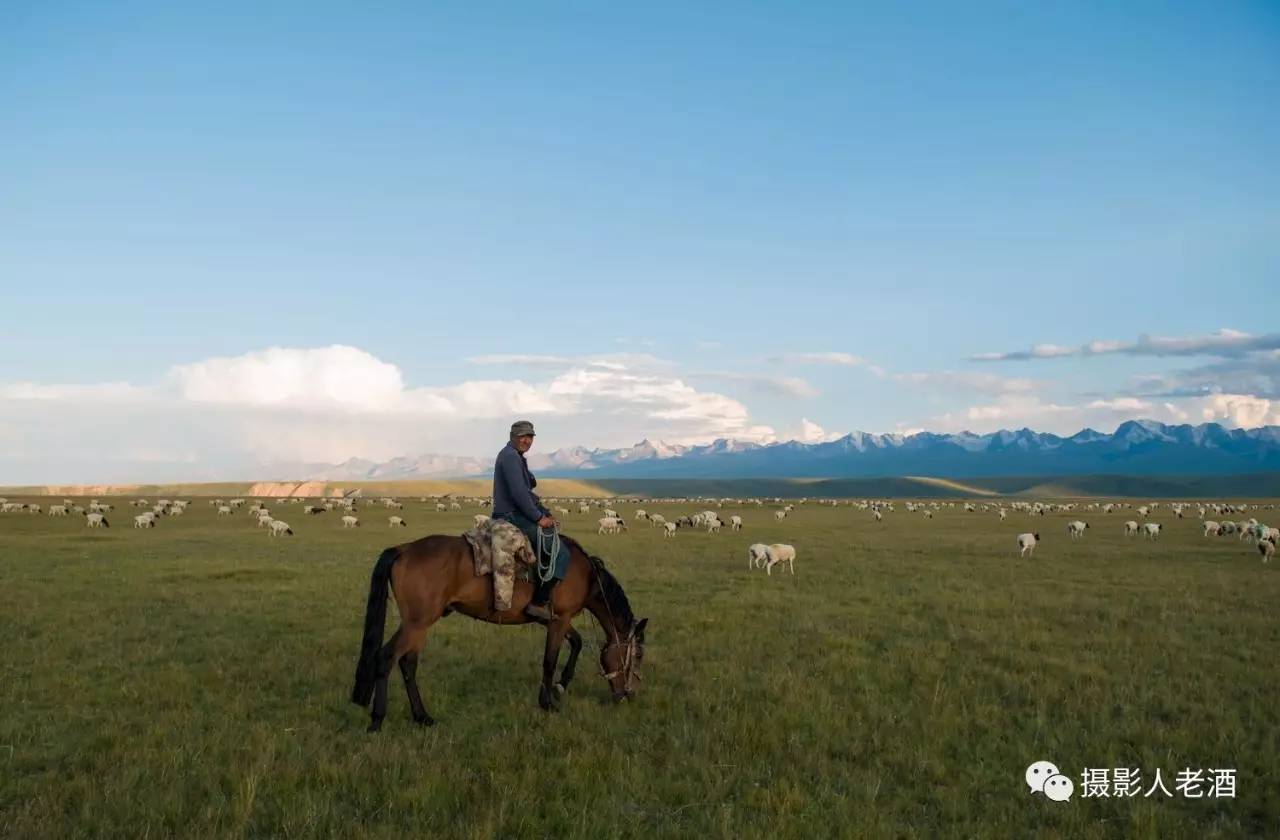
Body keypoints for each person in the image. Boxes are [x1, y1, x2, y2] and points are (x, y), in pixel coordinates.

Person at [492, 420, 571, 620]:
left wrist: (544, 512)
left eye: (530, 437)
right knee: (560, 553)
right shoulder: (510, 457)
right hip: (511, 516)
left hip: (516, 512)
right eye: (522, 436)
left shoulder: (515, 456)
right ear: (513, 437)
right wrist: (538, 518)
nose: (527, 440)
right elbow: (519, 495)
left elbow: (527, 494)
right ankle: (538, 602)